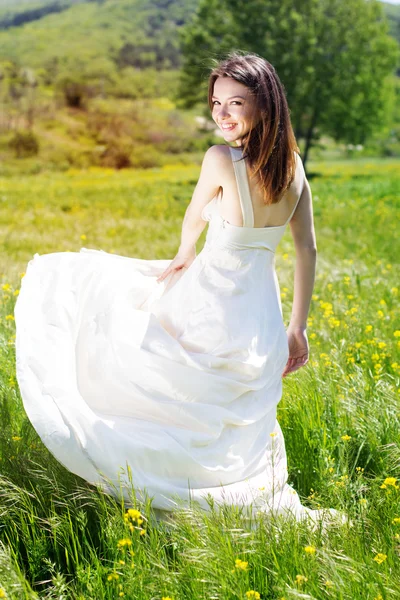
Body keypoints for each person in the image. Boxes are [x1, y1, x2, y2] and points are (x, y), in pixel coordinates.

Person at [14, 51, 347, 530]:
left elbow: (194, 215)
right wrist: (297, 328)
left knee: (150, 365)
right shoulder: (294, 168)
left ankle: (161, 476)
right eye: (216, 103)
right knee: (220, 404)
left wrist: (185, 251)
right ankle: (218, 486)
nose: (222, 114)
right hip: (259, 312)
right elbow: (307, 250)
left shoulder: (221, 160)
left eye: (236, 103)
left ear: (266, 107)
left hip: (215, 294)